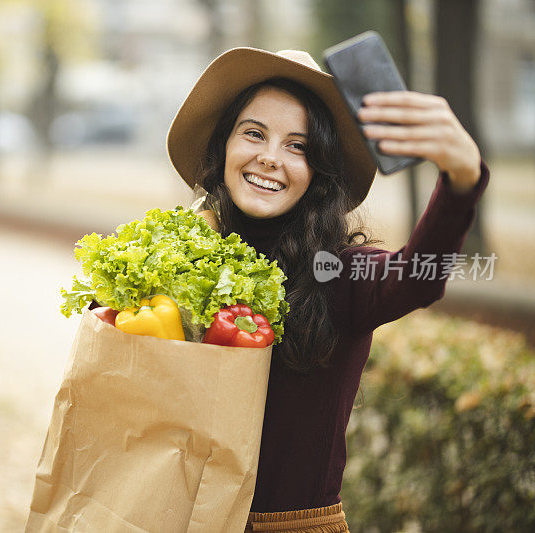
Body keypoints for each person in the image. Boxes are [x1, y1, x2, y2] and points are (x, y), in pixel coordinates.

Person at [166, 48, 488, 532]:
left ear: (319, 172)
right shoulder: (177, 258)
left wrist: (461, 180)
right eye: (254, 133)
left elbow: (417, 277)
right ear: (223, 148)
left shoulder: (341, 274)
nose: (270, 158)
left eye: (298, 147)